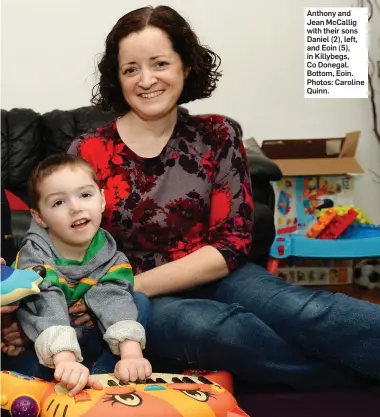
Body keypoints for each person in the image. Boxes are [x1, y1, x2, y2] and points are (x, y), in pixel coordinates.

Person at [3, 5, 380, 388]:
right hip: (131, 303)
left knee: (303, 310)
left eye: (160, 63)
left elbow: (231, 245)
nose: (146, 80)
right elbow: (55, 245)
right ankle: (348, 377)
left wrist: (127, 284)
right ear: (118, 78)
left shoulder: (218, 134)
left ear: (186, 66)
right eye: (131, 68)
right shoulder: (90, 149)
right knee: (224, 331)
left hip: (200, 276)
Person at [2, 154, 152, 396]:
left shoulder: (110, 254)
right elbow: (45, 303)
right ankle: (74, 379)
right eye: (58, 203)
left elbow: (114, 298)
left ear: (102, 199)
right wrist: (65, 360)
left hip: (90, 339)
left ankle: (104, 378)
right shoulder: (34, 255)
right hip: (46, 347)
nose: (75, 207)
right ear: (39, 217)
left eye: (85, 195)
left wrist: (131, 354)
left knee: (139, 301)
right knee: (23, 372)